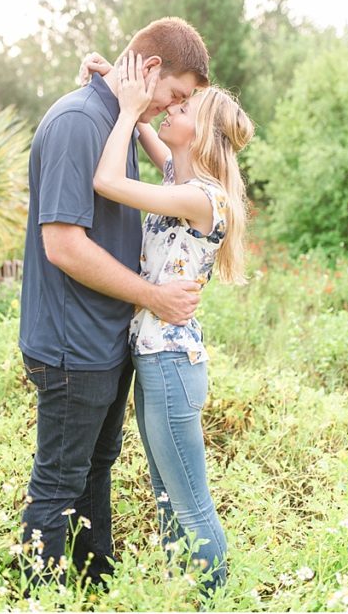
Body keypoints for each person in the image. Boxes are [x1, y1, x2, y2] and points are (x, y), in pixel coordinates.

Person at [17, 17, 210, 588]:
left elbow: (171, 174)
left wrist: (129, 105)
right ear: (150, 69)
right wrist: (154, 296)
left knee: (95, 470)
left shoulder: (116, 120)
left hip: (105, 339)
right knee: (57, 486)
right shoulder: (81, 122)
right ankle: (42, 597)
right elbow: (64, 245)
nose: (171, 108)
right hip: (72, 345)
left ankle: (94, 585)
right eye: (174, 95)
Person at [89, 50, 254, 594]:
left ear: (199, 132)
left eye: (184, 108)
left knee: (189, 503)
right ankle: (181, 594)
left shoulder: (200, 198)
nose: (172, 109)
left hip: (168, 363)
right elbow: (141, 125)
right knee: (167, 495)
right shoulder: (180, 179)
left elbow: (108, 180)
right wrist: (114, 82)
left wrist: (124, 115)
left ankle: (213, 601)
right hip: (157, 358)